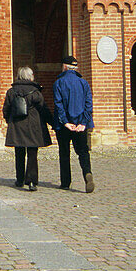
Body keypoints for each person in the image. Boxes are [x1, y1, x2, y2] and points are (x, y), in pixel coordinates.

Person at [3, 67, 53, 191]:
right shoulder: (36, 92)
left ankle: (19, 180)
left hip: (17, 125)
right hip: (33, 126)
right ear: (30, 76)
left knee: (19, 153)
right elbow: (43, 109)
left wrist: (8, 120)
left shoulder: (11, 91)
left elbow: (6, 109)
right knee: (32, 154)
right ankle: (31, 181)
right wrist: (51, 122)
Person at [53, 55, 95, 193]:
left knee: (64, 152)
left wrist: (65, 122)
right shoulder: (84, 83)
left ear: (64, 66)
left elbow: (58, 104)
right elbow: (89, 105)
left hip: (64, 126)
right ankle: (87, 173)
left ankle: (66, 182)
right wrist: (83, 122)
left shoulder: (59, 83)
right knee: (83, 151)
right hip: (80, 124)